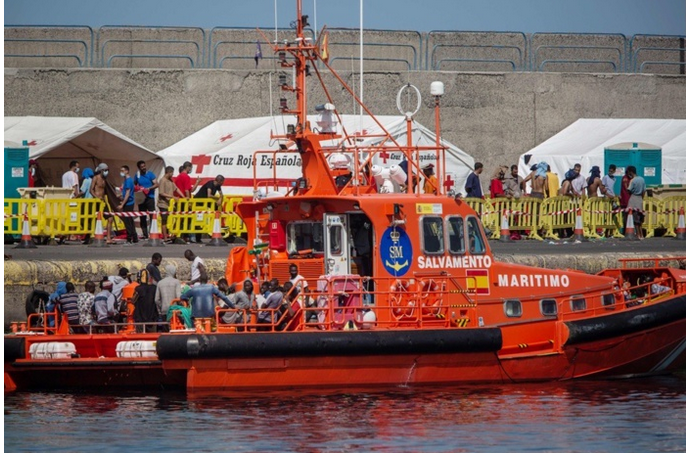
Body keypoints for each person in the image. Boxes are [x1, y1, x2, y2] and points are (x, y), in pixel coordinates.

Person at [193, 175, 225, 243]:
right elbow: (209, 195)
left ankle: (218, 229)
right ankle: (196, 238)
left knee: (216, 211)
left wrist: (220, 199)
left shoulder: (218, 186)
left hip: (206, 203)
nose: (223, 183)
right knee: (198, 219)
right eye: (222, 182)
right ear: (219, 181)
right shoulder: (210, 184)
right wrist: (217, 198)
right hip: (198, 202)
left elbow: (221, 195)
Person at [134, 160, 159, 240]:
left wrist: (149, 188)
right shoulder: (137, 175)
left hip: (150, 197)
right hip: (141, 198)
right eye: (142, 167)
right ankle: (145, 234)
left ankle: (152, 232)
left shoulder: (150, 174)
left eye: (144, 166)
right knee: (142, 216)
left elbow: (156, 184)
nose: (144, 168)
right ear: (139, 168)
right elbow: (134, 185)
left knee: (152, 215)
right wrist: (138, 189)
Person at [90, 163, 114, 244]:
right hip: (97, 202)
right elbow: (91, 190)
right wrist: (97, 197)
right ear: (101, 170)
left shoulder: (105, 179)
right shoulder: (96, 178)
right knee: (96, 220)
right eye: (105, 170)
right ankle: (93, 236)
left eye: (108, 170)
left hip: (103, 202)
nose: (107, 172)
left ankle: (108, 237)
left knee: (110, 218)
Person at [118, 165, 139, 244]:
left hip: (129, 203)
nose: (121, 172)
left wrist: (122, 204)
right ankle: (134, 237)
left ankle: (130, 237)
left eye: (123, 171)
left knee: (128, 221)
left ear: (127, 171)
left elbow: (127, 194)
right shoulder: (126, 180)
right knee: (130, 220)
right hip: (127, 202)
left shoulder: (129, 180)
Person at [157, 166, 177, 242]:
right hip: (163, 203)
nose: (172, 174)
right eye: (172, 173)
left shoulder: (170, 181)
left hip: (169, 204)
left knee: (169, 220)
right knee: (164, 220)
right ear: (168, 172)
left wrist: (184, 196)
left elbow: (176, 189)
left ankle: (168, 235)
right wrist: (172, 196)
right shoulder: (162, 181)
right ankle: (165, 236)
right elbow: (161, 193)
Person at [627, 166, 646, 240]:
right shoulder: (642, 179)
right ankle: (641, 235)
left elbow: (629, 190)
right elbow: (644, 190)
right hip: (640, 199)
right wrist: (641, 198)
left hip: (633, 198)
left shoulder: (633, 180)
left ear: (631, 172)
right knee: (640, 218)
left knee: (635, 218)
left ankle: (637, 234)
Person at [620, 166, 633, 230]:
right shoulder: (625, 179)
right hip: (625, 200)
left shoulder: (629, 178)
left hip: (628, 199)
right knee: (626, 216)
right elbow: (626, 188)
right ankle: (626, 229)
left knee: (629, 216)